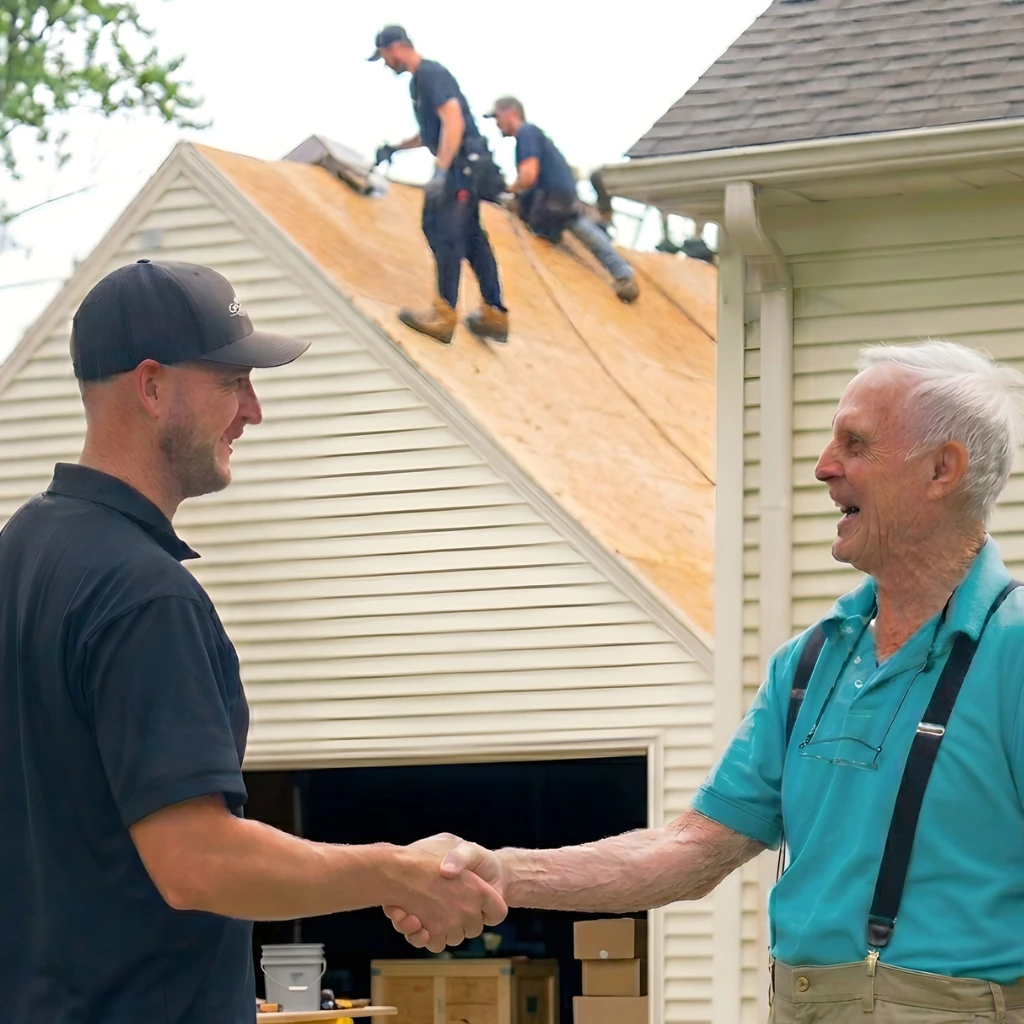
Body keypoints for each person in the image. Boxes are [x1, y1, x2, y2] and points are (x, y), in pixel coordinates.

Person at [386, 339, 1024, 1022]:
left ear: (940, 470)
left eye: (856, 444)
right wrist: (503, 871)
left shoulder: (1012, 651)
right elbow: (687, 851)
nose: (823, 466)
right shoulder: (810, 665)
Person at [0, 259, 507, 1024]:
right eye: (234, 381)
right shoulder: (143, 594)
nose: (254, 411)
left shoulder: (20, 556)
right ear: (152, 386)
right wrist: (396, 873)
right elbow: (197, 863)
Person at [370, 26, 509, 346]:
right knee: (472, 237)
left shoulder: (430, 74)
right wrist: (396, 148)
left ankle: (444, 315)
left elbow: (454, 122)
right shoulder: (420, 83)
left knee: (442, 230)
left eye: (384, 56)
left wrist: (441, 171)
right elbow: (432, 134)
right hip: (466, 167)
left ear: (397, 47)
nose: (386, 63)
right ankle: (494, 313)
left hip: (462, 167)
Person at [485, 96, 639, 303]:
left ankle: (621, 272)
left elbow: (528, 175)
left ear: (511, 112)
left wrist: (510, 191)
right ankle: (622, 272)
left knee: (511, 206)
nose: (497, 123)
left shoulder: (526, 133)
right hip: (563, 199)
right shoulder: (536, 135)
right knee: (582, 228)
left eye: (497, 116)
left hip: (550, 201)